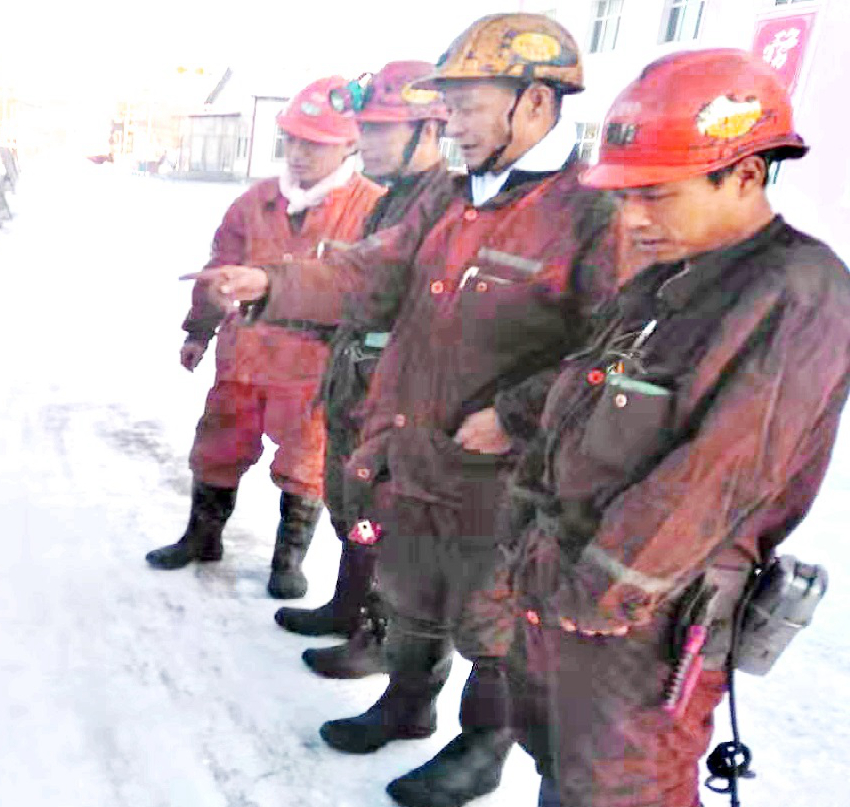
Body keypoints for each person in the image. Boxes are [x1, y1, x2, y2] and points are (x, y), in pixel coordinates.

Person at [186, 14, 625, 807]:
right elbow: (369, 273)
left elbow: (615, 351)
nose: (451, 122)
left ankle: (482, 745)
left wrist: (518, 414)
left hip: (505, 473)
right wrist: (273, 283)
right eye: (447, 106)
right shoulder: (453, 198)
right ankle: (407, 702)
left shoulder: (596, 214)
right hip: (416, 445)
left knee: (491, 617)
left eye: (468, 105)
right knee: (411, 588)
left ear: (534, 101)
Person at [500, 48, 850, 807]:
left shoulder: (797, 292)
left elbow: (718, 473)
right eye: (625, 196)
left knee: (623, 788)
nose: (632, 218)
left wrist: (600, 589)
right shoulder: (668, 278)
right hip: (572, 588)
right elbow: (581, 400)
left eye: (655, 194)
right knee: (562, 763)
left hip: (643, 623)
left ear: (746, 174)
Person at [146, 76, 384, 600]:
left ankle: (287, 561)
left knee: (306, 464)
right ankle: (201, 537)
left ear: (350, 144)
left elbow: (377, 292)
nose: (298, 154)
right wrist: (199, 330)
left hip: (316, 371)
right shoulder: (254, 203)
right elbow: (219, 268)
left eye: (314, 144)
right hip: (244, 358)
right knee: (217, 446)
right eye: (292, 140)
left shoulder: (372, 209)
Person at [273, 61, 460, 684]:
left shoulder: (444, 203)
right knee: (351, 502)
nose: (366, 140)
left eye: (382, 129)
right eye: (367, 127)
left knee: (385, 514)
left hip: (398, 390)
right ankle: (348, 605)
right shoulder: (394, 199)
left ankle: (379, 635)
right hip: (360, 379)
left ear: (429, 130)